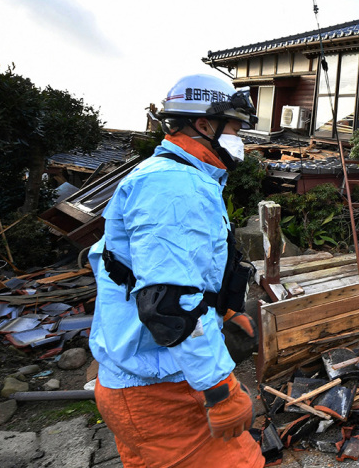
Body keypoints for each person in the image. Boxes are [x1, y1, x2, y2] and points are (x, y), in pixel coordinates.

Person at [88, 74, 265, 467]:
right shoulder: (175, 187)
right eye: (235, 126)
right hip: (161, 392)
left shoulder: (171, 176)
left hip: (134, 384)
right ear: (204, 125)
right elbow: (173, 305)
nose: (240, 137)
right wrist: (220, 389)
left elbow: (169, 272)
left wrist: (226, 309)